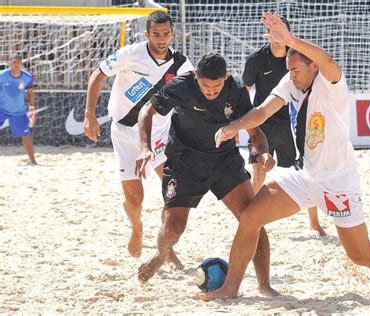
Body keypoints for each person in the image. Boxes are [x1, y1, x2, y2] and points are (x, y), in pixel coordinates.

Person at [197, 12, 370, 302]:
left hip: (338, 181)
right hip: (306, 176)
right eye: (289, 70)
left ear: (312, 67)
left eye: (296, 70)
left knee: (360, 254)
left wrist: (290, 39)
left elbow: (328, 60)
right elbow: (263, 111)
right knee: (250, 216)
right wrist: (233, 127)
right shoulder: (291, 83)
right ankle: (230, 288)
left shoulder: (331, 85)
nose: (291, 76)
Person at [134, 53, 278, 297]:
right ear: (196, 77)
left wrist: (263, 154)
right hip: (184, 163)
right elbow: (147, 111)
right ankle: (162, 254)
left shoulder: (236, 91)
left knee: (253, 219)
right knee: (172, 230)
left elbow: (256, 133)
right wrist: (145, 147)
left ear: (226, 78)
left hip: (224, 162)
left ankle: (265, 285)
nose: (211, 91)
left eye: (217, 85)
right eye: (205, 86)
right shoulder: (182, 85)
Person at [83, 11, 194, 259]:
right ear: (147, 34)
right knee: (135, 200)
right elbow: (97, 75)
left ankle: (166, 244)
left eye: (166, 34)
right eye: (156, 34)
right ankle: (137, 228)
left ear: (173, 34)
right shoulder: (130, 54)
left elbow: (195, 92)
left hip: (159, 133)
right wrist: (90, 114)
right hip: (124, 132)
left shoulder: (182, 64)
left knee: (172, 190)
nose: (161, 38)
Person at [242, 16, 326, 236]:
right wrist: (240, 124)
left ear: (288, 33)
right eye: (271, 30)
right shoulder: (256, 59)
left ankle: (314, 223)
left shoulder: (297, 58)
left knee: (304, 170)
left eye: (280, 31)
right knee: (259, 169)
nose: (276, 36)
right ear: (267, 33)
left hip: (290, 124)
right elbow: (244, 90)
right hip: (262, 124)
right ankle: (250, 216)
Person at [0, 54, 37, 165]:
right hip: (1, 109)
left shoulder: (27, 77)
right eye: (14, 62)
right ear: (10, 64)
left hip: (18, 111)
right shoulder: (2, 75)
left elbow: (30, 92)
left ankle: (33, 161)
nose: (16, 64)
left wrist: (31, 108)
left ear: (21, 64)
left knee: (26, 135)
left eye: (18, 62)